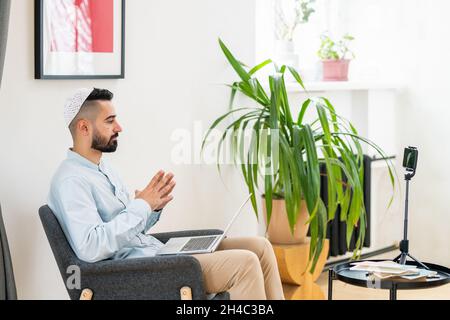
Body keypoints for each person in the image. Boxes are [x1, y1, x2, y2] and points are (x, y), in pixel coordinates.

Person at [48, 88, 284, 300]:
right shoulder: (72, 181)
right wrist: (141, 205)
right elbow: (91, 247)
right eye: (110, 121)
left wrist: (152, 207)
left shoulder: (103, 168)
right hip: (142, 272)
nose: (119, 127)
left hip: (154, 254)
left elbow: (127, 230)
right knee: (244, 264)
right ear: (84, 127)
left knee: (259, 247)